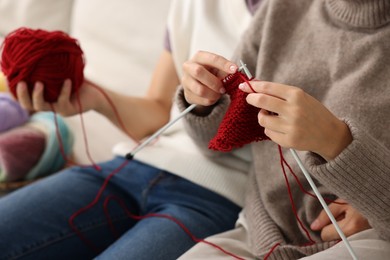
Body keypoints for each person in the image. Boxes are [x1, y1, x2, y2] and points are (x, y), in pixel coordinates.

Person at [0, 0, 261, 259]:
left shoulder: (295, 19)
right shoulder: (192, 5)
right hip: (133, 167)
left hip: (218, 196)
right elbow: (160, 112)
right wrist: (95, 98)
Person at [176, 0, 390, 259]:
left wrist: (338, 143)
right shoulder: (281, 8)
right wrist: (203, 101)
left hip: (367, 237)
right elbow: (215, 143)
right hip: (260, 234)